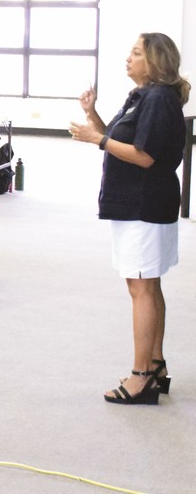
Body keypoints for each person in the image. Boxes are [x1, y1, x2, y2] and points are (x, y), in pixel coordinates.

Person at [68, 33, 188, 405]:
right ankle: (155, 366)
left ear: (154, 61)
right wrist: (93, 118)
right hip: (141, 205)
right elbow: (120, 139)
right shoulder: (145, 97)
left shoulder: (156, 99)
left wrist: (95, 140)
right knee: (147, 285)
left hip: (144, 205)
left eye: (136, 53)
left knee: (141, 287)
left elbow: (144, 155)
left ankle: (141, 377)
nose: (128, 58)